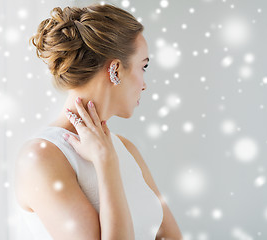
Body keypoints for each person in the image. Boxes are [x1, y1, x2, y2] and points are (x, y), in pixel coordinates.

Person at [14, 3, 183, 240]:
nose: (145, 84)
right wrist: (106, 163)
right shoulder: (42, 157)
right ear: (115, 69)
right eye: (143, 67)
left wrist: (110, 156)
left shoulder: (125, 149)